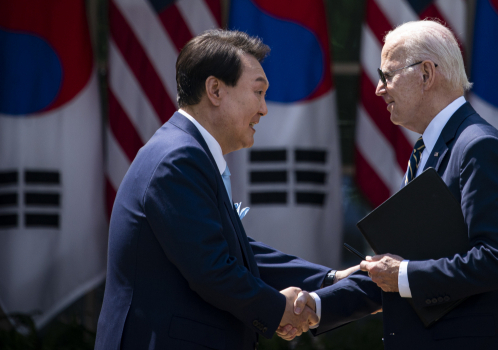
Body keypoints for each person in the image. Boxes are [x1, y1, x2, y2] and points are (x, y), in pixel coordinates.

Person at [95, 30, 357, 350]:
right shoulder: (178, 159)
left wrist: (328, 280)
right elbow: (212, 268)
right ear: (215, 90)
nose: (264, 109)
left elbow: (235, 251)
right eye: (258, 92)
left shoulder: (185, 152)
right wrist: (278, 309)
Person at [310, 20, 498, 349]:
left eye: (387, 75)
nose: (379, 88)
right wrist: (315, 307)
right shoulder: (429, 149)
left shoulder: (478, 146)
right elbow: (404, 266)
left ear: (427, 74)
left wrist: (403, 274)